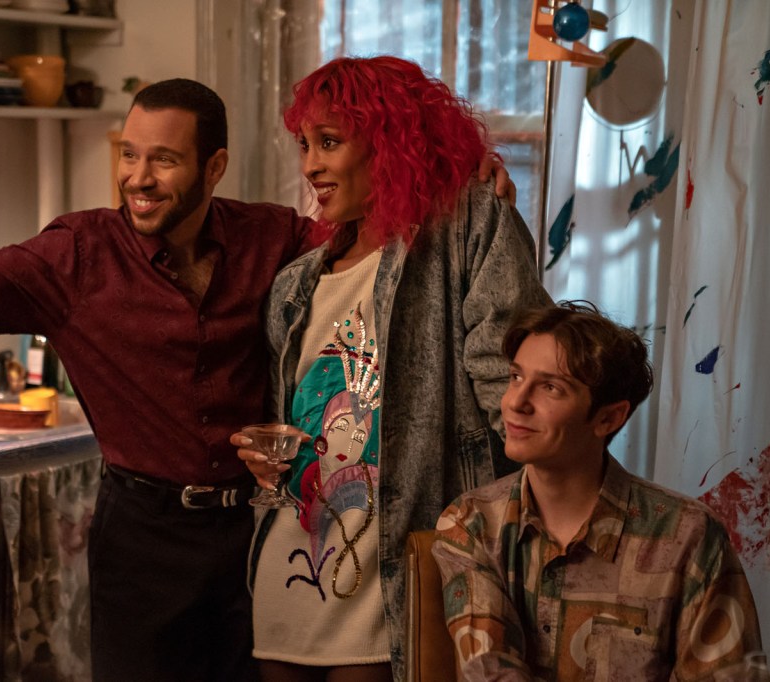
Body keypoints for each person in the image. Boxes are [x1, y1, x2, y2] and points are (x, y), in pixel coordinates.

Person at [0, 77, 515, 681]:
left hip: (257, 536)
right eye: (128, 155)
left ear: (214, 167)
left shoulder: (277, 240)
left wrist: (464, 178)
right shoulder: (77, 256)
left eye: (162, 159)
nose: (137, 177)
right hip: (143, 539)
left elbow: (378, 216)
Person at [232, 56, 550, 682]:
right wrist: (261, 458)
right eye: (304, 145)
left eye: (329, 142)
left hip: (400, 557)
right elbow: (285, 420)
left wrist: (557, 507)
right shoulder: (296, 282)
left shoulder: (465, 228)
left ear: (390, 141)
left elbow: (512, 383)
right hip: (292, 556)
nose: (310, 165)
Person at [431, 301, 762, 680]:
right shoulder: (471, 524)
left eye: (550, 387)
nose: (515, 402)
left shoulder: (690, 536)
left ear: (609, 418)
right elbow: (489, 671)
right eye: (516, 377)